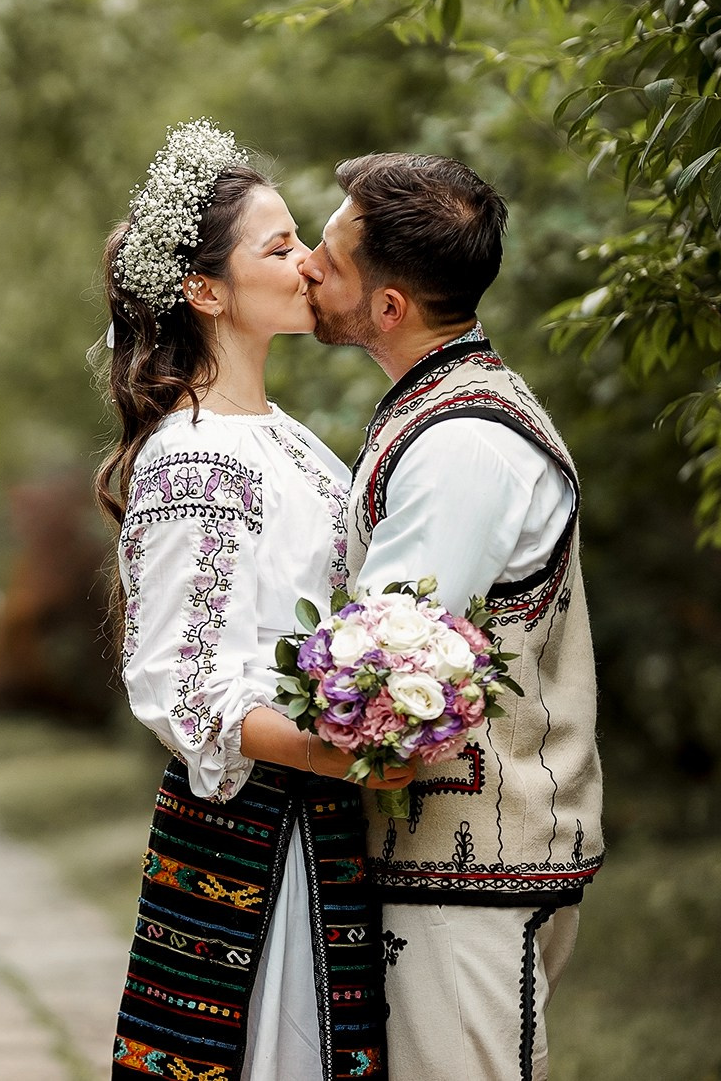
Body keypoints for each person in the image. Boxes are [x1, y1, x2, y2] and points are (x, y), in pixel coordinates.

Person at [101, 120, 408, 1081]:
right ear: (204, 290)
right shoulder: (194, 454)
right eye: (279, 248)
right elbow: (182, 689)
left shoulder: (287, 437)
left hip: (318, 825)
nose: (313, 263)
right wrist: (345, 751)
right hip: (253, 843)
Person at [300, 153, 604, 1081]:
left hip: (470, 873)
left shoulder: (461, 446)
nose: (307, 265)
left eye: (330, 255)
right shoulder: (437, 411)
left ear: (389, 309)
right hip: (449, 869)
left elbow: (385, 674)